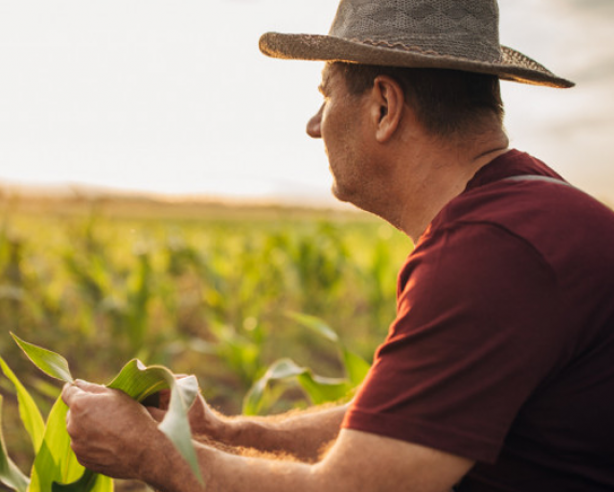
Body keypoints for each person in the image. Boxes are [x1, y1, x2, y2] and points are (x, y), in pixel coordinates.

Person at [63, 1, 614, 490]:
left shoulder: (492, 255)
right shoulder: (532, 214)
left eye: (325, 94)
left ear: (383, 107)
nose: (312, 125)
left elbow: (355, 485)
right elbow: (398, 427)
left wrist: (153, 457)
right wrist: (224, 432)